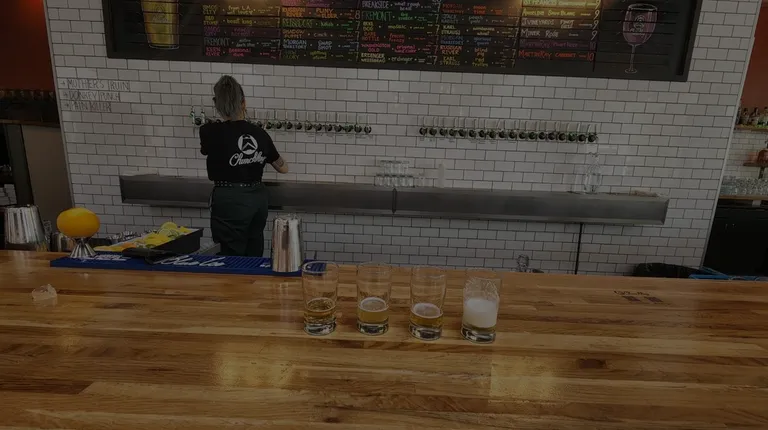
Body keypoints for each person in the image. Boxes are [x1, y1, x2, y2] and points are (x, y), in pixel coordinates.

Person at [200, 75, 288, 256]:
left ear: (217, 105)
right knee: (254, 252)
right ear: (244, 103)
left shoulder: (209, 132)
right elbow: (283, 167)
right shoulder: (259, 134)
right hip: (257, 199)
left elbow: (208, 149)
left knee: (230, 255)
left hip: (229, 201)